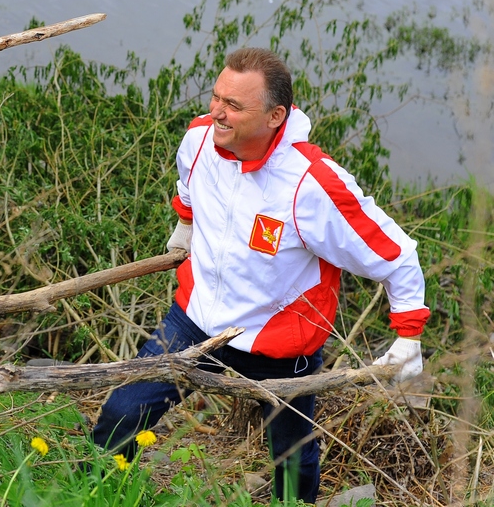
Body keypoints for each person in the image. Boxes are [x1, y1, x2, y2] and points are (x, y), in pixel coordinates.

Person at [91, 47, 428, 503]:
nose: (217, 113)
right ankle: (93, 491)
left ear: (275, 116)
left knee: (293, 461)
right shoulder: (197, 139)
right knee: (122, 414)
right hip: (194, 322)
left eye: (233, 106)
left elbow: (396, 255)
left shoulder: (312, 185)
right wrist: (185, 223)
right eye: (216, 98)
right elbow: (187, 184)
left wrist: (408, 336)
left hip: (280, 349)